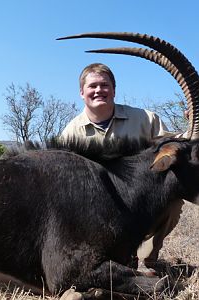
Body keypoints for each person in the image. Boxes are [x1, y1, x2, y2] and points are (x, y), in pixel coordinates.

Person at [61, 63, 184, 275]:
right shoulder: (70, 135)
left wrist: (192, 130)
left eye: (104, 85)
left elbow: (174, 147)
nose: (99, 90)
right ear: (82, 92)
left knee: (172, 200)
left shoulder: (146, 119)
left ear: (114, 90)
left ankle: (147, 259)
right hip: (96, 209)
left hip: (140, 203)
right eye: (93, 86)